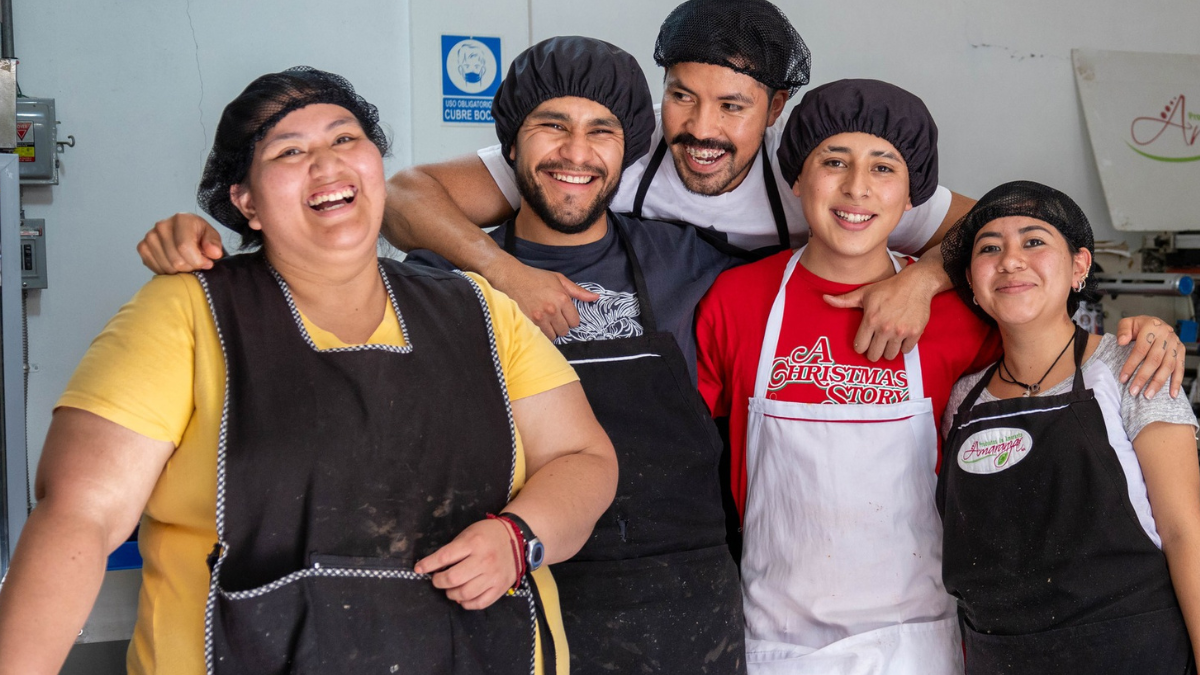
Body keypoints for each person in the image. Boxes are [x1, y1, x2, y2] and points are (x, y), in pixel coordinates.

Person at [0, 67, 617, 675]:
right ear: (245, 202)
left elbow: (584, 459)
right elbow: (78, 515)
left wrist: (519, 537)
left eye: (345, 139)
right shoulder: (187, 313)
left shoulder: (480, 310)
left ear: (376, 164)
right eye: (290, 151)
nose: (327, 165)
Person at [138, 0, 1053, 380]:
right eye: (683, 96)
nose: (700, 126)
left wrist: (920, 277)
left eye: (732, 106)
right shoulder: (612, 152)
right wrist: (506, 271)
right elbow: (409, 195)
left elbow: (1000, 226)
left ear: (776, 109)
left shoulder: (818, 177)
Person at [693, 79, 1184, 674]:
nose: (856, 187)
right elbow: (693, 459)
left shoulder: (957, 318)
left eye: (883, 166)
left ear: (912, 195)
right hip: (778, 640)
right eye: (833, 162)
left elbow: (1046, 340)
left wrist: (1144, 331)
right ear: (797, 177)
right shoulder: (738, 300)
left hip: (923, 640)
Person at [407, 36, 746, 674]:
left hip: (680, 604)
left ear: (630, 150)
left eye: (602, 131)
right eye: (552, 126)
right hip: (504, 585)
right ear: (510, 144)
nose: (576, 153)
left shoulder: (691, 261)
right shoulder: (440, 279)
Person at [937, 181, 1200, 674]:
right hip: (1001, 661)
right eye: (989, 248)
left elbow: (1188, 534)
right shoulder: (962, 399)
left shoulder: (1133, 367)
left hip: (1133, 656)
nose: (1011, 260)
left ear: (1079, 266)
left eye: (1034, 242)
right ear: (972, 282)